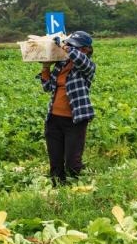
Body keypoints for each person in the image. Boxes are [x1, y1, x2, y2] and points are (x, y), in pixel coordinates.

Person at [38, 31, 96, 185]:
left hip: (75, 120)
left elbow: (79, 59)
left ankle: (76, 189)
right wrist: (45, 68)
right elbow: (47, 87)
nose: (69, 47)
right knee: (55, 161)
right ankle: (58, 189)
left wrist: (64, 45)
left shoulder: (87, 67)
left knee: (72, 162)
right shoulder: (61, 64)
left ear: (86, 50)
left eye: (73, 46)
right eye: (69, 44)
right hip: (54, 119)